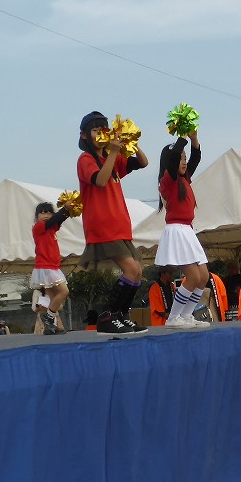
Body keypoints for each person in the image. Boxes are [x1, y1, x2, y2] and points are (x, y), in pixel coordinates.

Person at [75, 111, 149, 334]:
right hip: (103, 225)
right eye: (95, 130)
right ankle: (107, 317)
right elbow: (100, 180)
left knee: (137, 271)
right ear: (84, 135)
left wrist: (131, 142)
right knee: (130, 269)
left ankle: (120, 315)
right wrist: (114, 151)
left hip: (119, 225)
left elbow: (143, 162)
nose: (100, 133)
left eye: (103, 129)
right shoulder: (85, 159)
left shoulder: (112, 158)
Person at [155, 132, 210, 329]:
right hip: (177, 230)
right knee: (193, 277)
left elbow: (196, 157)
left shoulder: (185, 178)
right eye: (180, 159)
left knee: (203, 276)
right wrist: (181, 135)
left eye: (185, 158)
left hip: (188, 230)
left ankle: (186, 315)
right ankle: (173, 318)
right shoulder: (167, 180)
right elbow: (174, 156)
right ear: (171, 161)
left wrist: (194, 138)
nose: (184, 162)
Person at [31, 201, 73, 336]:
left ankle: (50, 326)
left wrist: (68, 211)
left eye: (49, 213)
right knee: (64, 291)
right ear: (37, 216)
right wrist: (64, 209)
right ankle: (48, 317)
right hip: (46, 266)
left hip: (51, 266)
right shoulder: (38, 227)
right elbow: (55, 219)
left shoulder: (51, 228)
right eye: (42, 213)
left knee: (54, 298)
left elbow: (58, 220)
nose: (45, 215)